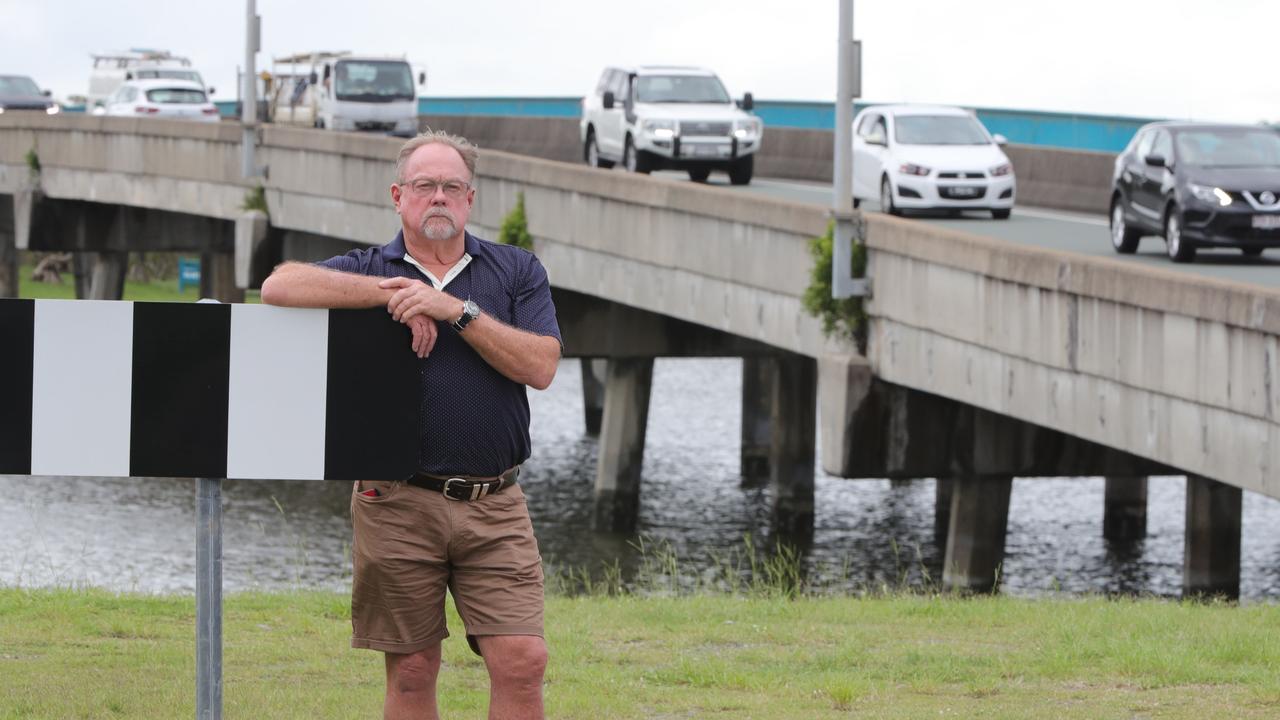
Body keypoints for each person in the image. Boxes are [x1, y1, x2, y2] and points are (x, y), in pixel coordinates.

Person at [260, 129, 561, 720]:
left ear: (470, 199)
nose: (439, 198)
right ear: (399, 196)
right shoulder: (373, 268)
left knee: (523, 660)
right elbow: (278, 285)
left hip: (494, 500)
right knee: (414, 670)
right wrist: (391, 293)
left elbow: (541, 365)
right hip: (396, 499)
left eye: (452, 187)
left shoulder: (517, 270)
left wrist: (455, 312)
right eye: (425, 186)